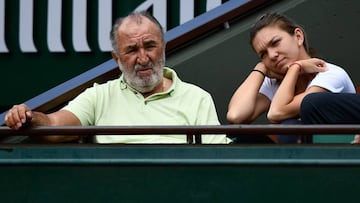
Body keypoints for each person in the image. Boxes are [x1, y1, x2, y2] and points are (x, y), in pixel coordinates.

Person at [4, 11, 230, 144]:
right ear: (116, 58)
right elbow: (54, 125)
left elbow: (218, 161)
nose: (143, 58)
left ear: (163, 48)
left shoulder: (197, 97)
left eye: (150, 46)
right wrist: (28, 116)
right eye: (132, 50)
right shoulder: (99, 95)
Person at [226, 12, 355, 144]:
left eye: (275, 43)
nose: (271, 55)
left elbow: (276, 112)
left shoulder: (329, 72)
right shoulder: (273, 82)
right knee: (238, 134)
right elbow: (235, 116)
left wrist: (295, 67)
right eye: (263, 54)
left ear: (298, 36)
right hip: (301, 152)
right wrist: (260, 69)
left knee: (290, 125)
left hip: (339, 151)